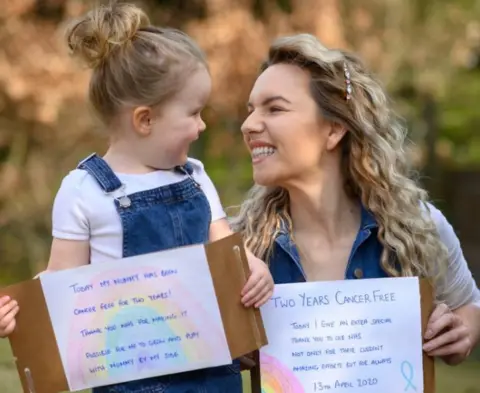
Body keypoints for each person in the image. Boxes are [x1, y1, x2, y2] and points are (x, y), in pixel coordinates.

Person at [0, 2, 274, 392]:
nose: (202, 126)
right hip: (130, 381)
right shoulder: (84, 190)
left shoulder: (195, 177)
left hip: (212, 375)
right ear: (145, 120)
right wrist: (18, 312)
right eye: (194, 113)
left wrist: (252, 269)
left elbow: (227, 251)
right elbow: (62, 285)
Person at [230, 33, 480, 366]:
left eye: (274, 108)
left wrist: (461, 330)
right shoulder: (241, 250)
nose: (248, 125)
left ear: (333, 130)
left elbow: (469, 305)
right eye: (250, 111)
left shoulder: (416, 226)